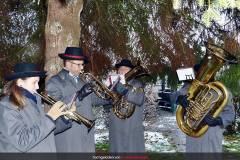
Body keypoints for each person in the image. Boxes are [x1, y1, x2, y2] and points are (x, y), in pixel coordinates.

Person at [46, 47, 111, 152]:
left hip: (86, 134)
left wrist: (109, 98)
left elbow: (92, 99)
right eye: (79, 65)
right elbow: (57, 105)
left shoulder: (82, 81)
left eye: (82, 65)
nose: (82, 68)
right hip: (70, 136)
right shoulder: (55, 81)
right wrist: (79, 95)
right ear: (68, 63)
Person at [0, 62, 70, 152]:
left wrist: (65, 117)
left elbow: (44, 131)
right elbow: (22, 141)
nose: (37, 87)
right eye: (34, 82)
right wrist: (50, 117)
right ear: (20, 82)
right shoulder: (7, 106)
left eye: (38, 82)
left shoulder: (33, 101)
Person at [175, 64, 235, 153]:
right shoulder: (189, 88)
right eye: (201, 73)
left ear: (213, 73)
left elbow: (230, 114)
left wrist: (218, 121)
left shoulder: (224, 91)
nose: (205, 75)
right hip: (194, 133)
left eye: (208, 72)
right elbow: (174, 96)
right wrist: (179, 99)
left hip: (212, 133)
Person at [109, 59, 145, 153]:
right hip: (116, 127)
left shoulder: (137, 84)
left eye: (125, 68)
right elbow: (107, 101)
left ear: (131, 71)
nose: (122, 70)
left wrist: (125, 92)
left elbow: (139, 99)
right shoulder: (113, 85)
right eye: (120, 68)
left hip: (131, 126)